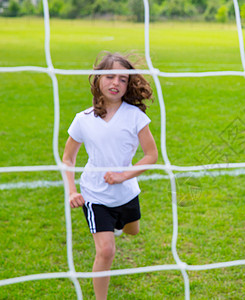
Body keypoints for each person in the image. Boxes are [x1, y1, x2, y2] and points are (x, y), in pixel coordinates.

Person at [62, 51, 158, 300]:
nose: (116, 82)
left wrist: (124, 176)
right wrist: (72, 190)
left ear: (128, 86)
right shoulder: (82, 120)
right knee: (105, 251)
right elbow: (68, 158)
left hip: (126, 193)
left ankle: (118, 225)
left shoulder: (136, 117)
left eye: (123, 79)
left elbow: (151, 155)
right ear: (97, 80)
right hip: (95, 196)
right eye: (110, 76)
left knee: (132, 230)